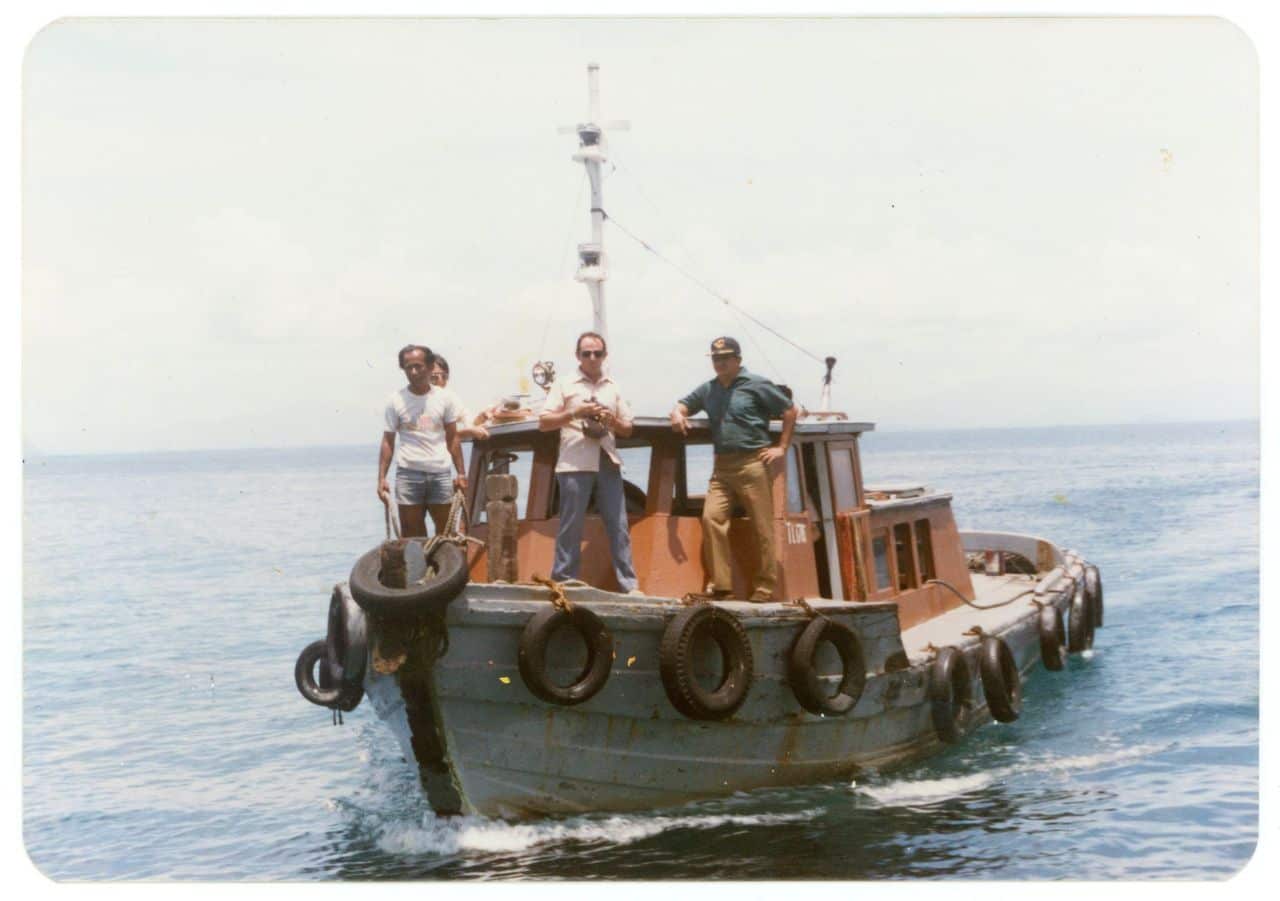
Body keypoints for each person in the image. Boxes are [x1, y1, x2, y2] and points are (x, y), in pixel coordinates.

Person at [670, 336, 797, 601]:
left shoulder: (756, 384)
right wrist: (677, 414)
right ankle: (722, 586)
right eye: (716, 358)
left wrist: (782, 448)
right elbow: (684, 404)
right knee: (711, 518)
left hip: (753, 462)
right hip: (723, 467)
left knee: (762, 526)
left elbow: (789, 410)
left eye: (725, 358)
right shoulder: (709, 389)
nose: (720, 363)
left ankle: (764, 587)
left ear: (738, 360)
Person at [538, 331, 641, 594]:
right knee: (570, 526)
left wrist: (611, 421)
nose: (592, 358)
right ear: (578, 356)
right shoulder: (563, 384)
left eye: (597, 353)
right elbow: (544, 422)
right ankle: (563, 582)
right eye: (587, 353)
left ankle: (629, 586)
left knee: (619, 526)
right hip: (575, 463)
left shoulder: (613, 386)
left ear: (605, 356)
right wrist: (576, 412)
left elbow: (627, 428)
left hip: (607, 461)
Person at [377, 344, 468, 538]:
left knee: (446, 536)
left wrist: (461, 473)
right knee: (412, 537)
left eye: (418, 366)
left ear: (428, 366)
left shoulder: (445, 398)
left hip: (440, 474)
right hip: (408, 475)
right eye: (408, 367)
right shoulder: (395, 401)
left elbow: (453, 436)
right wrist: (381, 478)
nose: (414, 371)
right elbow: (388, 441)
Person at [429, 355, 492, 441]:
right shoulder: (420, 403)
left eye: (444, 377)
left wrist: (480, 419)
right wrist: (465, 433)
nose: (440, 381)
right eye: (434, 377)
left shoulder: (451, 398)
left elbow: (469, 423)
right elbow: (428, 436)